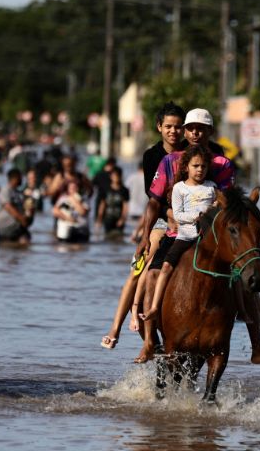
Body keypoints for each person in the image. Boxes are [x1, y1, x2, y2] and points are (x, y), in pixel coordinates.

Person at [132, 108, 260, 364]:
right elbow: (155, 202)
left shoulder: (222, 162)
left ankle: (258, 345)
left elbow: (229, 201)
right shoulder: (170, 161)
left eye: (201, 129)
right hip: (177, 228)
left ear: (209, 132)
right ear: (185, 131)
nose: (195, 133)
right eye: (191, 128)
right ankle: (148, 340)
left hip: (213, 234)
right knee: (151, 274)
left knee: (242, 274)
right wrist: (146, 237)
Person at [100, 101, 186, 351]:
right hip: (162, 219)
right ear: (159, 127)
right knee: (139, 269)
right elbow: (154, 199)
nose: (174, 131)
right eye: (169, 126)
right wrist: (146, 235)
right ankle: (115, 329)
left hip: (190, 219)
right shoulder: (152, 156)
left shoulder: (192, 152)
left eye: (178, 127)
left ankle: (256, 325)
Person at [140, 145, 217, 328]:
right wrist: (198, 216)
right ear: (186, 167)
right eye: (196, 166)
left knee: (232, 272)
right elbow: (178, 215)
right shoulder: (179, 189)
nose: (199, 170)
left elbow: (218, 211)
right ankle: (155, 307)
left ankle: (244, 312)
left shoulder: (212, 188)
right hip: (184, 237)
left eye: (203, 167)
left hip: (206, 239)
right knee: (165, 267)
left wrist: (212, 212)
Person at [0, 168, 31, 244]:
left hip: (17, 227)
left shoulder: (17, 192)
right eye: (20, 177)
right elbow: (8, 207)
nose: (22, 180)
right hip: (6, 228)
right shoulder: (5, 190)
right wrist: (22, 219)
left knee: (25, 243)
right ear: (15, 178)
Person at [96, 167, 129, 239]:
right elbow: (102, 204)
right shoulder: (106, 189)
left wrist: (122, 219)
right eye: (114, 176)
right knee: (107, 237)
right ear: (111, 177)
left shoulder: (124, 190)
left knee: (119, 237)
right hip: (108, 218)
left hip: (118, 218)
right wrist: (99, 218)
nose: (116, 178)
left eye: (117, 175)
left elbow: (125, 206)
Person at [125, 161, 148, 243]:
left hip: (132, 209)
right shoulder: (149, 177)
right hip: (144, 209)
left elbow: (125, 190)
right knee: (143, 230)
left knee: (133, 230)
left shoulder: (131, 177)